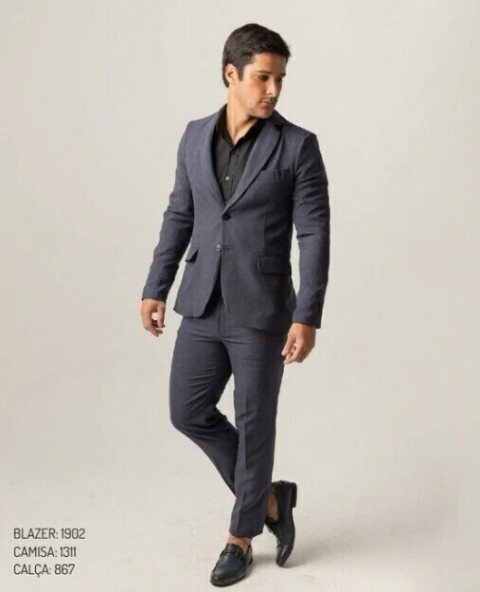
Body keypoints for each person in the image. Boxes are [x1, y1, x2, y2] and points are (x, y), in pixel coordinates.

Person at [140, 22, 330, 587]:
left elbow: (314, 234)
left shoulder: (297, 146)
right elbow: (180, 214)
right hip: (202, 301)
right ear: (232, 74)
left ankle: (240, 537)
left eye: (280, 79)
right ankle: (270, 499)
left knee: (254, 424)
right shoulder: (194, 136)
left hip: (263, 309)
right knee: (187, 410)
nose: (274, 90)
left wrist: (307, 315)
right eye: (263, 77)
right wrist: (156, 286)